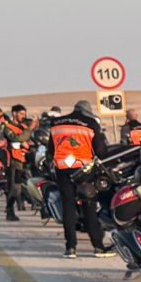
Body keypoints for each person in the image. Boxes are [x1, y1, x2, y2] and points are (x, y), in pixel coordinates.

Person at [44, 101, 103, 256]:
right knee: (89, 205)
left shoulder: (56, 122)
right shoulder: (90, 123)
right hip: (83, 169)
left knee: (68, 206)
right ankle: (98, 246)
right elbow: (100, 150)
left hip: (62, 167)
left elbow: (51, 149)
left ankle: (70, 247)